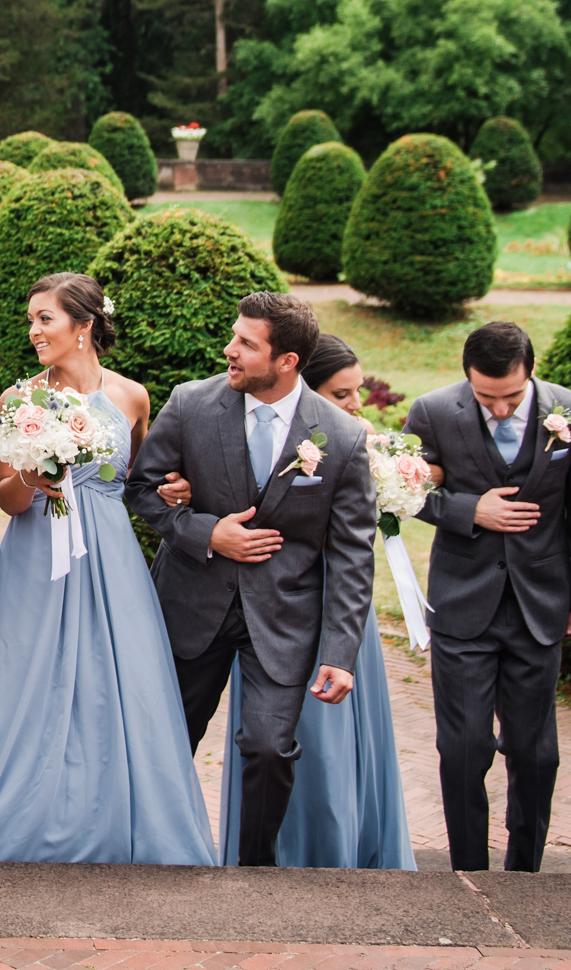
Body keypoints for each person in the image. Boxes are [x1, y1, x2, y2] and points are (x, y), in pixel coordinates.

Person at [0, 274, 215, 865]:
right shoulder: (16, 400)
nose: (33, 331)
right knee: (27, 682)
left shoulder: (132, 397)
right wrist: (35, 476)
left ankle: (111, 821)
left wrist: (175, 488)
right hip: (35, 553)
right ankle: (18, 818)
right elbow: (6, 499)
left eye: (44, 318)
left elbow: (137, 484)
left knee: (113, 685)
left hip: (110, 558)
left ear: (83, 326)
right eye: (31, 319)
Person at [125, 292, 376, 867]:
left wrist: (340, 652)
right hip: (192, 605)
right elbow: (140, 489)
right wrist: (206, 532)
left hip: (284, 618)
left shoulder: (341, 436)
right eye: (234, 337)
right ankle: (150, 856)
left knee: (267, 749)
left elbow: (352, 554)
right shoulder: (191, 404)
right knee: (166, 742)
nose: (229, 351)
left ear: (286, 361)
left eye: (246, 344)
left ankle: (253, 872)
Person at [203, 334, 416, 870]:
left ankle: (345, 847)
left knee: (339, 733)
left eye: (357, 393)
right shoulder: (266, 429)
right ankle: (289, 849)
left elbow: (355, 542)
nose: (355, 407)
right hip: (280, 602)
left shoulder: (352, 439)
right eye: (342, 395)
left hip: (340, 603)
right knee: (288, 739)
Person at [405, 320, 571, 873]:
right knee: (464, 749)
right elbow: (405, 492)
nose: (499, 409)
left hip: (540, 606)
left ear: (531, 373)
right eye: (485, 397)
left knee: (536, 752)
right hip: (463, 602)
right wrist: (471, 510)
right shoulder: (434, 411)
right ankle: (468, 870)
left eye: (512, 397)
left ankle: (526, 871)